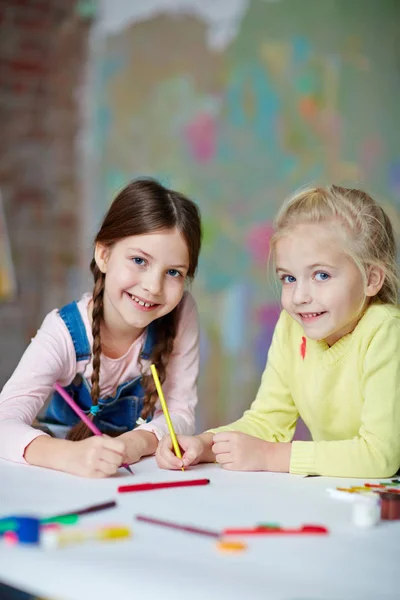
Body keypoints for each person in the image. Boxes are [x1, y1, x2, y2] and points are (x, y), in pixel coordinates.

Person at [157, 185, 400, 478]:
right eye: (288, 278)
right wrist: (205, 445)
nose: (299, 296)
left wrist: (270, 456)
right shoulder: (291, 326)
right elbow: (267, 423)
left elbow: (379, 456)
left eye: (321, 275)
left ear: (372, 278)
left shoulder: (387, 333)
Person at [0, 178, 202, 478]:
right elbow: (4, 422)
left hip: (135, 481)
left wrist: (134, 443)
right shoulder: (64, 331)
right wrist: (69, 456)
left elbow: (180, 414)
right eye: (138, 260)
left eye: (173, 272)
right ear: (104, 254)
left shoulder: (181, 313)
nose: (153, 287)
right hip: (61, 481)